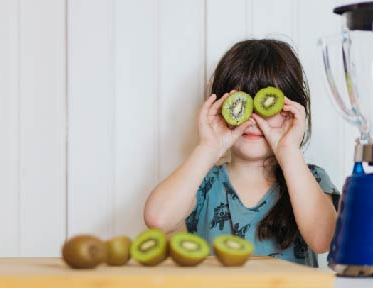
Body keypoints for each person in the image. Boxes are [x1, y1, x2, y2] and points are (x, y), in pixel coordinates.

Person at [143, 39, 340, 267]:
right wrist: (209, 147)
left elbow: (324, 239)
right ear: (222, 109)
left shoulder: (311, 179)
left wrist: (288, 151)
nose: (253, 119)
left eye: (266, 105)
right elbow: (157, 219)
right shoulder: (203, 184)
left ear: (291, 112)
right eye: (242, 103)